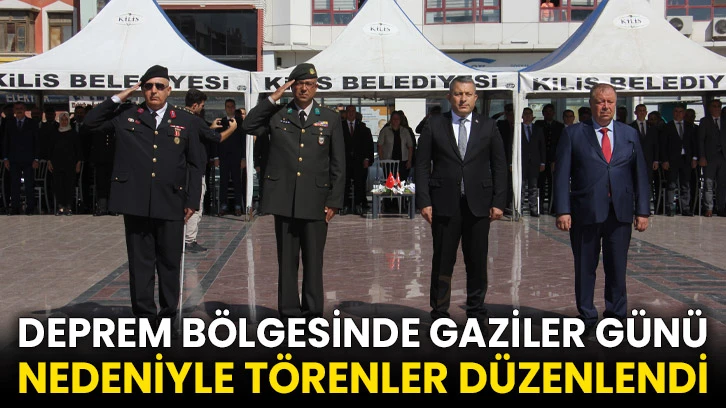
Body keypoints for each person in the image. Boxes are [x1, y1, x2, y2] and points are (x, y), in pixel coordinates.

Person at [84, 65, 204, 331]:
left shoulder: (185, 120)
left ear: (169, 90)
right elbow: (90, 123)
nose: (154, 91)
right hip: (136, 201)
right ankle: (145, 317)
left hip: (171, 200)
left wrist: (192, 200)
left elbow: (196, 164)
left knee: (170, 262)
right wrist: (120, 97)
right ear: (142, 90)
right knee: (140, 264)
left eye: (159, 86)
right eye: (148, 86)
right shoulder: (126, 115)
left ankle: (168, 315)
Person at [241, 63, 345, 321]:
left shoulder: (330, 118)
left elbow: (338, 163)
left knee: (313, 262)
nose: (304, 89)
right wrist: (272, 98)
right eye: (299, 84)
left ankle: (312, 313)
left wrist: (334, 200)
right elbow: (248, 125)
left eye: (309, 84)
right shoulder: (277, 115)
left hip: (316, 200)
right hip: (284, 199)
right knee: (287, 262)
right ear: (291, 87)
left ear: (316, 87)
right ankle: (289, 313)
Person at [553, 83, 650, 333]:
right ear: (591, 104)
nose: (605, 106)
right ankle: (586, 316)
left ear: (615, 104)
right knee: (585, 267)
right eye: (600, 101)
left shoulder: (629, 134)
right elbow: (561, 175)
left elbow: (640, 174)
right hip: (585, 212)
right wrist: (562, 210)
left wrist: (642, 211)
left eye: (610, 102)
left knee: (617, 267)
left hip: (620, 212)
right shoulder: (574, 133)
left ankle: (616, 316)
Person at [415, 75, 507, 325]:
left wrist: (499, 201)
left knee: (477, 262)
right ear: (449, 97)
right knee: (442, 261)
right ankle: (439, 314)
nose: (463, 99)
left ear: (475, 98)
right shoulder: (435, 124)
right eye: (458, 94)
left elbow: (500, 166)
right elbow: (421, 165)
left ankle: (476, 311)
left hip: (479, 205)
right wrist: (424, 200)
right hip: (444, 204)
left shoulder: (488, 126)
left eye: (467, 94)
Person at [182, 88, 237, 253]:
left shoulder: (180, 118)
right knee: (195, 205)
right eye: (202, 105)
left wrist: (210, 128)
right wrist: (232, 129)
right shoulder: (195, 120)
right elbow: (218, 138)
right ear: (195, 105)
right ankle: (189, 240)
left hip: (182, 169)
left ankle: (182, 238)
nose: (202, 108)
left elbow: (202, 135)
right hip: (195, 170)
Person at [3, 102, 40, 215]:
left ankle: (30, 208)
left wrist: (36, 158)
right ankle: (15, 207)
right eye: (17, 108)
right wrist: (5, 158)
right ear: (14, 110)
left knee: (29, 184)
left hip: (29, 159)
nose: (19, 110)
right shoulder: (9, 123)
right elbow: (6, 141)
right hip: (14, 159)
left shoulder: (32, 123)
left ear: (25, 110)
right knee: (15, 184)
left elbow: (37, 142)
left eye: (21, 108)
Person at [660, 104, 697, 217]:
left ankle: (685, 208)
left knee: (685, 184)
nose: (678, 114)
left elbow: (694, 143)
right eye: (676, 111)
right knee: (671, 184)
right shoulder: (667, 126)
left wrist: (694, 158)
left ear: (684, 113)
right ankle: (670, 207)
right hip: (672, 160)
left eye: (680, 111)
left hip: (686, 159)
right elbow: (663, 145)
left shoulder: (689, 126)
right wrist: (665, 160)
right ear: (673, 113)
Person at [342, 105, 374, 215]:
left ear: (355, 113)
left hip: (359, 161)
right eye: (349, 111)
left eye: (353, 111)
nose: (351, 113)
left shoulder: (363, 128)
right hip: (345, 161)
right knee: (344, 184)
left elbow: (368, 145)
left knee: (359, 184)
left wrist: (367, 159)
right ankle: (345, 205)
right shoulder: (340, 127)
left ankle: (358, 205)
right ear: (346, 113)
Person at [48, 112, 82, 216]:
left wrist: (78, 162)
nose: (64, 122)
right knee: (58, 186)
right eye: (62, 120)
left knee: (69, 185)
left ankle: (68, 207)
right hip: (57, 164)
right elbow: (50, 148)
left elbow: (78, 149)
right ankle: (60, 207)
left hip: (70, 164)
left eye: (66, 120)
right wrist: (49, 161)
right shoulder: (55, 133)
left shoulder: (73, 133)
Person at [698, 99, 726, 217]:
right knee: (708, 183)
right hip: (709, 157)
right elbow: (701, 140)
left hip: (723, 157)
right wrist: (702, 156)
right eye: (714, 106)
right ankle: (708, 208)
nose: (716, 108)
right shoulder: (705, 121)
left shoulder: (724, 121)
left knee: (722, 184)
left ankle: (721, 207)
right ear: (710, 108)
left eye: (719, 106)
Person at [521, 107, 546, 217]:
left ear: (532, 116)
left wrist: (542, 162)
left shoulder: (538, 129)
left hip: (534, 162)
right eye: (525, 114)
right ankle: (520, 207)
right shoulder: (518, 128)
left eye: (529, 114)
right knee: (521, 186)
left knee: (533, 187)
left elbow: (542, 146)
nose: (527, 116)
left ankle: (534, 208)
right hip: (522, 162)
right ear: (522, 116)